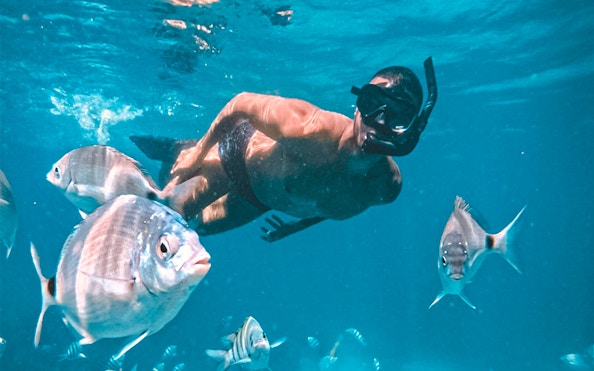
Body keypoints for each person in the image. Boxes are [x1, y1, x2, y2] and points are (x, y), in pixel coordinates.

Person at [140, 57, 437, 241]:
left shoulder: (385, 188)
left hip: (258, 200)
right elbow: (240, 103)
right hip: (236, 159)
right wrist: (199, 153)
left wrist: (296, 227)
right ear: (358, 106)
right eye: (372, 104)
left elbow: (333, 200)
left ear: (410, 128)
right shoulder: (310, 128)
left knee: (196, 233)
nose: (380, 122)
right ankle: (177, 153)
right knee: (167, 217)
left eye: (397, 117)